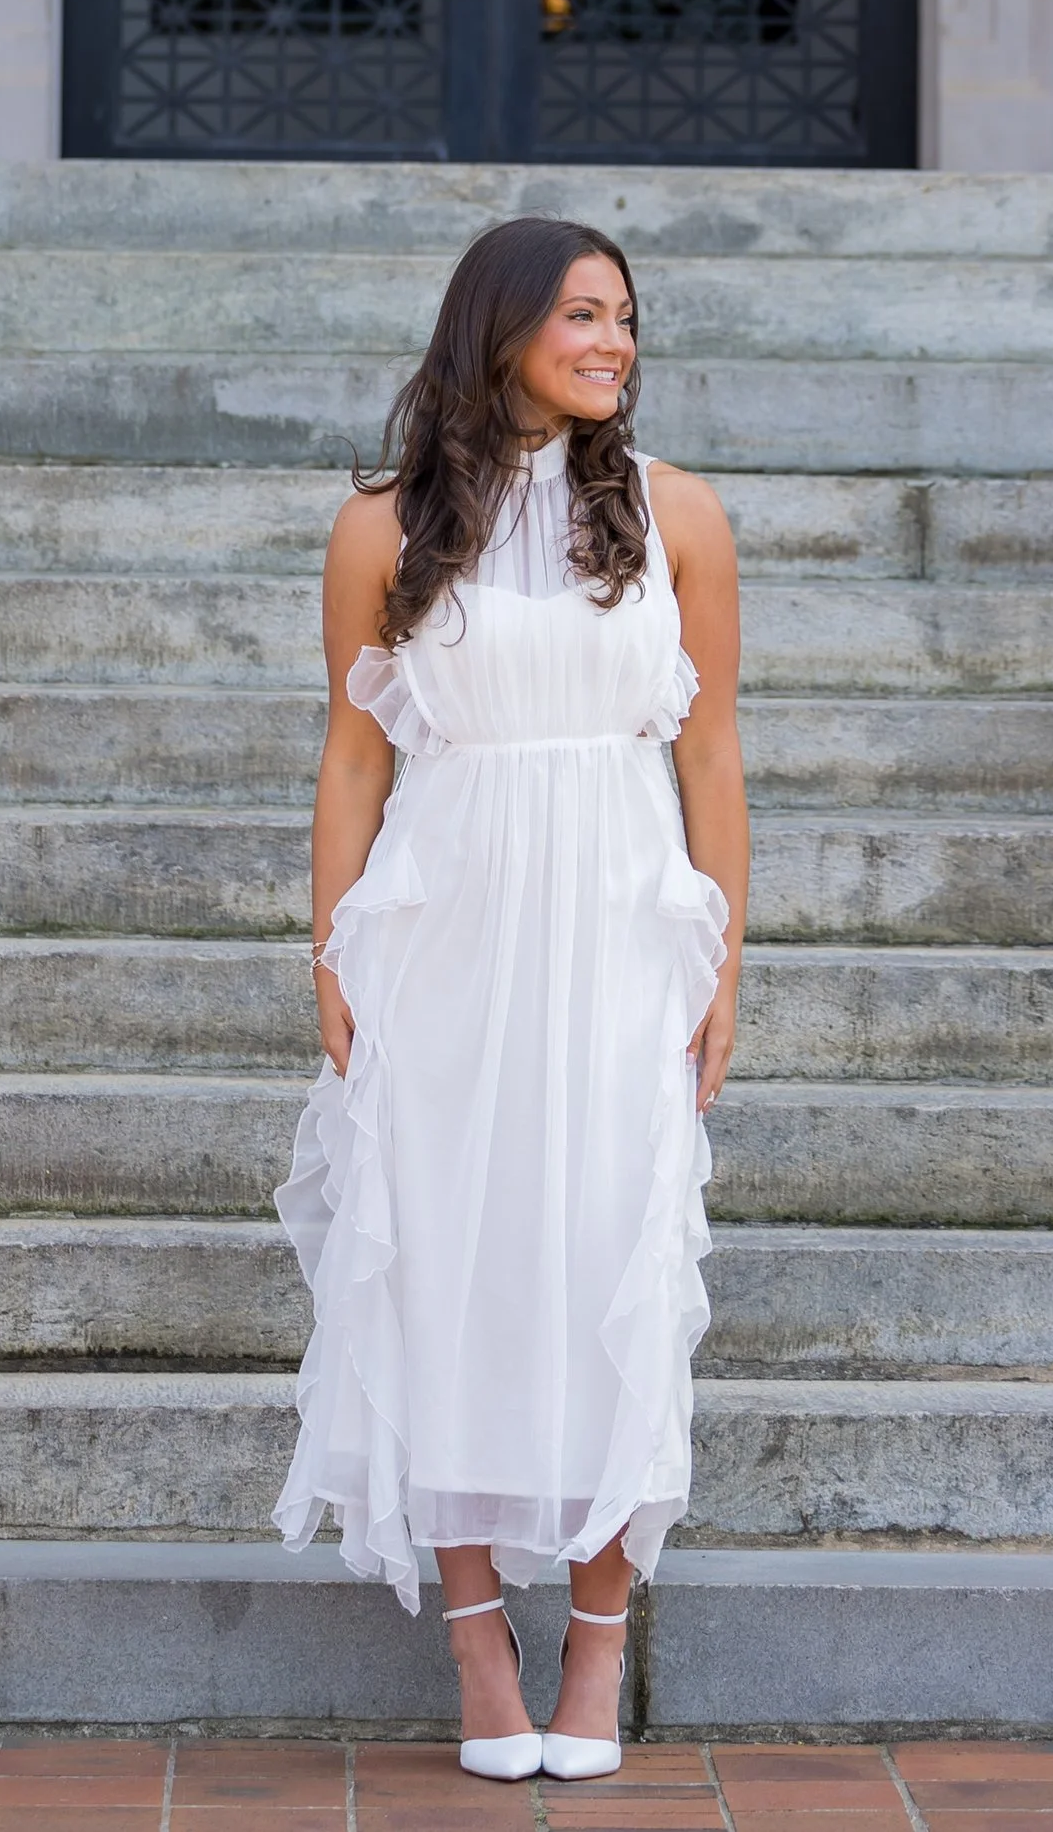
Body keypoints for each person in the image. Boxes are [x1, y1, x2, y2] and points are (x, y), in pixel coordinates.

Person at [273, 214, 749, 1779]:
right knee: (452, 1263)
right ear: (497, 331)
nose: (613, 341)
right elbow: (355, 755)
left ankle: (596, 1654)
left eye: (624, 316)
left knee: (608, 1250)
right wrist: (330, 949)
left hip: (619, 917)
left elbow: (713, 752)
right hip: (449, 923)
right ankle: (480, 1649)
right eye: (581, 315)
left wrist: (726, 955)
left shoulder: (680, 515)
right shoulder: (376, 527)